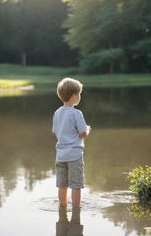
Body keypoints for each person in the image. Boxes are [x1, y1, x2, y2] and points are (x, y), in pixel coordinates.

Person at [52, 78, 91, 208]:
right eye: (79, 94)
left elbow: (56, 131)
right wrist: (88, 129)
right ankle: (76, 208)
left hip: (60, 155)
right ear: (74, 96)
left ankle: (62, 207)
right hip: (74, 155)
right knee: (76, 185)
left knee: (62, 184)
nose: (79, 96)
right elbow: (83, 134)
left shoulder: (57, 113)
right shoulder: (76, 113)